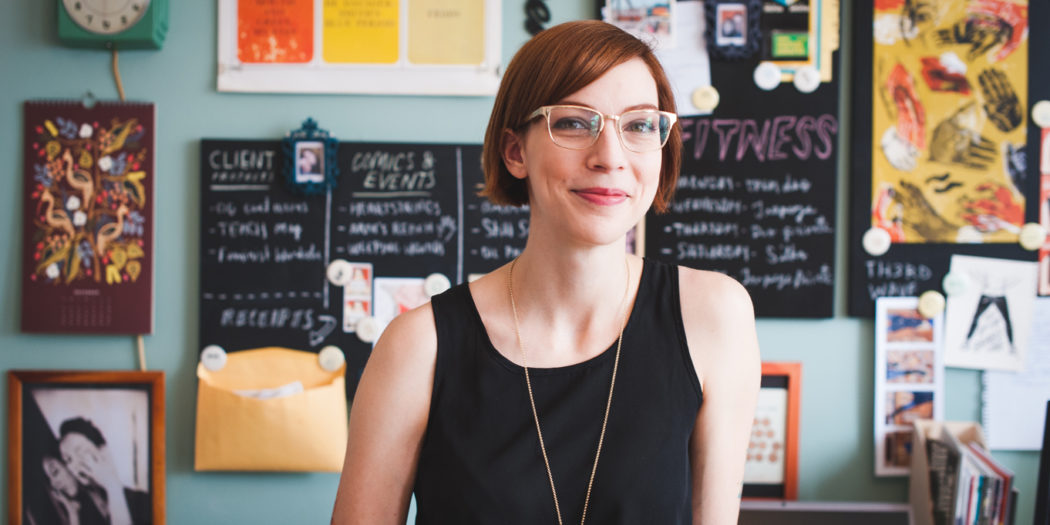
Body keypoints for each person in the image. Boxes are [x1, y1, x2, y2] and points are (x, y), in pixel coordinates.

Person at [332, 20, 760, 524]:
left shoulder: (714, 315)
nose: (610, 157)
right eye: (575, 123)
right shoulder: (417, 346)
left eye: (640, 125)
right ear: (516, 152)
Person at [58, 417, 152, 525]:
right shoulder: (83, 515)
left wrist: (112, 487)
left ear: (103, 451)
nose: (74, 464)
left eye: (79, 451)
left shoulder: (144, 504)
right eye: (68, 459)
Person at [40, 452, 107, 525]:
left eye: (55, 472)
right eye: (49, 480)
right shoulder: (74, 512)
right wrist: (71, 510)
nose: (53, 483)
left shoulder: (100, 489)